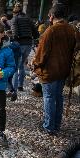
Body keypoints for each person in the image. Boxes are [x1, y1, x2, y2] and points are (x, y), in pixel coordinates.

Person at [32, 4, 77, 135]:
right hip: (64, 70)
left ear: (52, 16)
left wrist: (35, 65)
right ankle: (56, 125)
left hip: (50, 71)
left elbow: (41, 54)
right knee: (58, 97)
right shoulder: (72, 29)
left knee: (49, 98)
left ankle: (48, 126)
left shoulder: (50, 31)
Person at [11, 2, 39, 91]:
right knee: (22, 65)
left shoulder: (15, 19)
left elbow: (14, 32)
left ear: (14, 11)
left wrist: (14, 42)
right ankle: (20, 86)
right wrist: (34, 38)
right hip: (28, 44)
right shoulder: (28, 18)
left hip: (20, 43)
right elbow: (35, 31)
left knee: (15, 66)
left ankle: (13, 89)